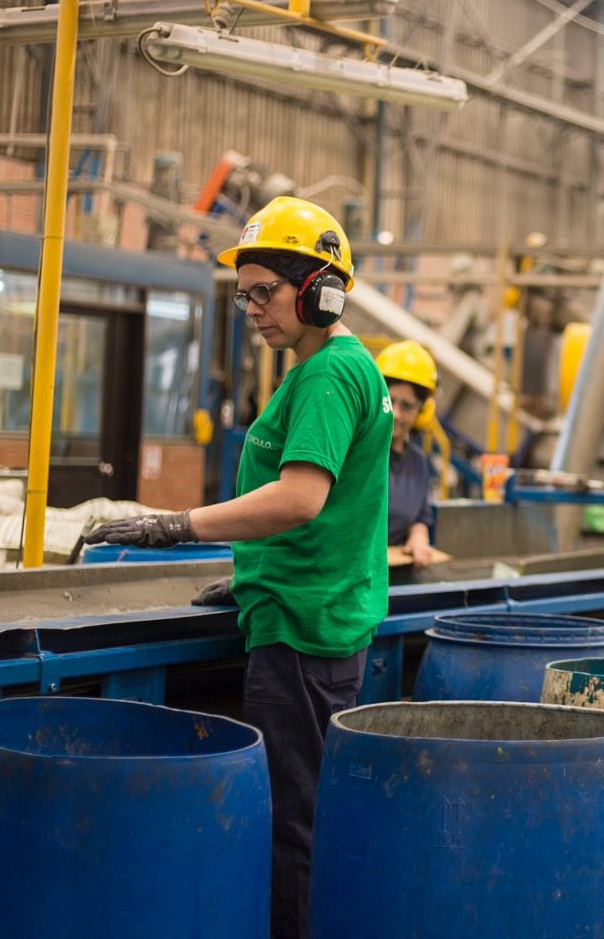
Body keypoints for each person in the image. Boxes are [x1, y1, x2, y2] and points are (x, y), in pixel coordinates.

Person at [86, 196, 392, 939]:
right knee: (302, 816)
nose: (252, 309)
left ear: (321, 289)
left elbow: (299, 499)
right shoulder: (340, 369)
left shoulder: (325, 376)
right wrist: (254, 569)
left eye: (266, 292)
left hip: (299, 634)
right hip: (305, 609)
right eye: (243, 292)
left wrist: (177, 525)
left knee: (290, 829)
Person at [374, 339, 439, 566]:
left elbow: (420, 516)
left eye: (407, 406)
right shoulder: (356, 454)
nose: (397, 414)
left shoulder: (418, 462)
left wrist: (418, 536)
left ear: (422, 412)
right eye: (390, 402)